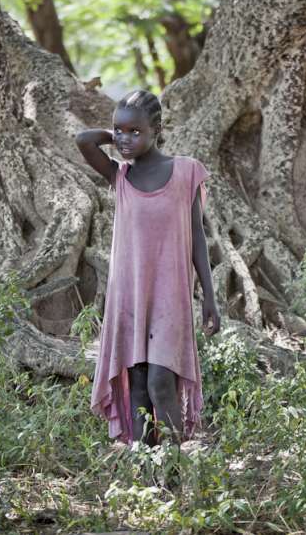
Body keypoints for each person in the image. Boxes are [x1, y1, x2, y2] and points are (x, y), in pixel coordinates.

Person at [75, 89, 220, 446]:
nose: (124, 139)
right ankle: (146, 477)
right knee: (138, 386)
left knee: (160, 383)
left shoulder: (185, 172)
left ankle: (170, 471)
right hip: (130, 297)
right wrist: (120, 135)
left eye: (135, 132)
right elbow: (83, 140)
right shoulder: (119, 176)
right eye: (119, 131)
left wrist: (210, 298)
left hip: (170, 298)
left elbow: (197, 238)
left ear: (157, 129)